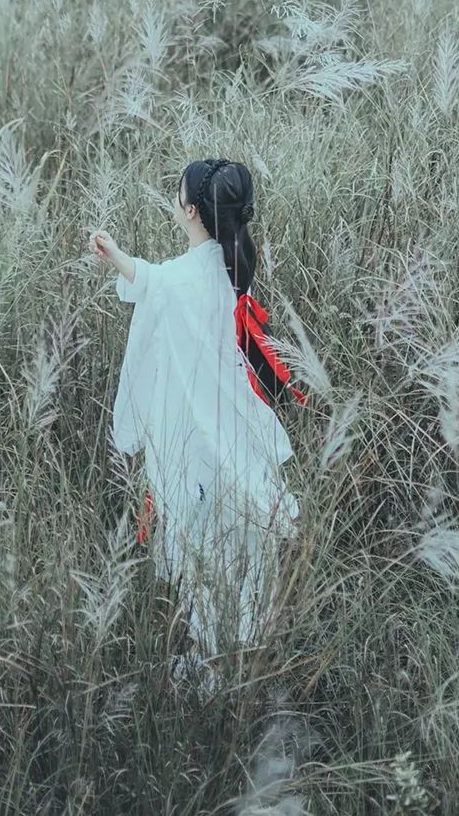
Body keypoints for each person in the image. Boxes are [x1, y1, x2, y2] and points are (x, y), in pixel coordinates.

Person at [87, 158, 304, 668]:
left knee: (203, 543)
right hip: (236, 424)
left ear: (189, 210)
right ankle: (248, 644)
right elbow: (159, 282)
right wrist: (125, 261)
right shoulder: (234, 267)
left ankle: (213, 656)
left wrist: (117, 257)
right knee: (243, 543)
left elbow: (156, 283)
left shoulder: (183, 278)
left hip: (195, 432)